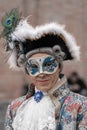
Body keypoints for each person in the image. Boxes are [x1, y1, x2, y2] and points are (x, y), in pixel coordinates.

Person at [1, 9, 87, 130]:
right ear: (27, 70)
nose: (41, 73)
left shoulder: (81, 106)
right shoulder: (15, 108)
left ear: (59, 67)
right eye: (34, 67)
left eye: (48, 65)